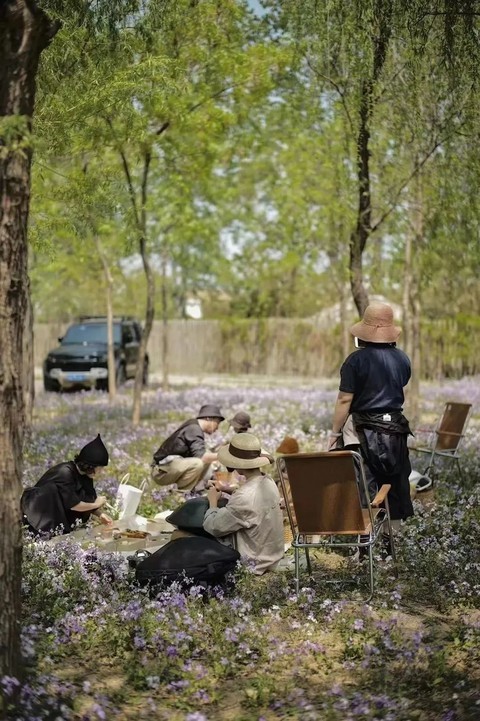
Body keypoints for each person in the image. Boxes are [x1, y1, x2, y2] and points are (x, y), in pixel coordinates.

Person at [327, 302, 414, 526]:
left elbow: (345, 399)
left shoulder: (355, 361)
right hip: (394, 429)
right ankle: (389, 542)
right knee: (394, 483)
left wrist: (334, 433)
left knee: (364, 486)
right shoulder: (403, 359)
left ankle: (366, 546)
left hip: (361, 431)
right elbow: (401, 384)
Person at [203, 433, 284, 575]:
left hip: (255, 562)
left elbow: (214, 527)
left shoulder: (244, 497)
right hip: (272, 555)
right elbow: (252, 501)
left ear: (237, 464)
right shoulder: (268, 481)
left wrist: (213, 502)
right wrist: (227, 489)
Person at [22, 434, 112, 536]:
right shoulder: (65, 473)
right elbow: (74, 505)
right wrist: (97, 504)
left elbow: (87, 499)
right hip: (38, 517)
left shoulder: (86, 475)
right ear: (90, 466)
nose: (101, 471)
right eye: (100, 468)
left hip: (56, 515)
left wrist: (100, 514)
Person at [151, 404, 224, 493]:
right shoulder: (194, 429)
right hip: (161, 471)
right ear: (209, 419)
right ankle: (181, 495)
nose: (217, 428)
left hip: (167, 468)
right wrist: (225, 455)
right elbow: (202, 457)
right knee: (198, 463)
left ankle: (191, 490)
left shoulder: (193, 426)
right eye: (217, 423)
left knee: (207, 458)